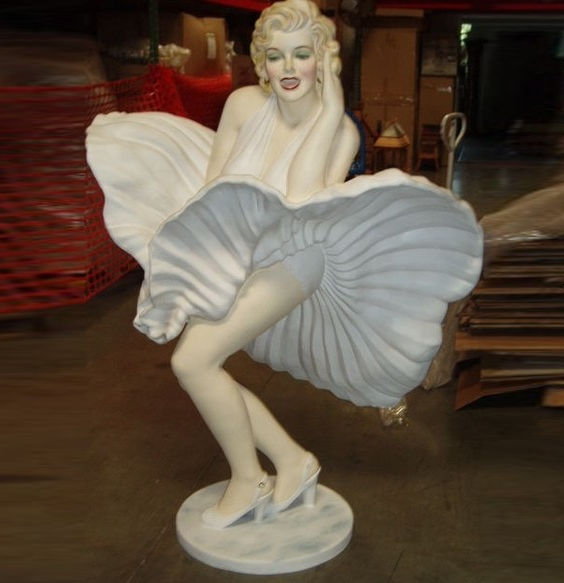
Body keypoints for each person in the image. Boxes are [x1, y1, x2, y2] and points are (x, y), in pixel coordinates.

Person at [86, 0, 483, 529]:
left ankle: (249, 479)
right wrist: (199, 264)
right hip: (240, 250)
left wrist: (329, 113)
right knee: (204, 365)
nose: (288, 68)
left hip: (298, 259)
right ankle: (294, 462)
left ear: (323, 59)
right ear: (262, 62)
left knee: (193, 363)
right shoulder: (243, 105)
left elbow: (297, 205)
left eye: (302, 54)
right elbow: (214, 189)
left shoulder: (340, 132)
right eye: (276, 56)